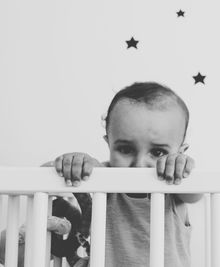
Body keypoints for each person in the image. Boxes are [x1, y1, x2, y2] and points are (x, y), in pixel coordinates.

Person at [50, 81, 202, 266]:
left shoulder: (173, 183)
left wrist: (182, 167)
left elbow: (195, 194)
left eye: (158, 152)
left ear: (180, 151)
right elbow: (43, 176)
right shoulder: (100, 177)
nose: (139, 165)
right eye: (125, 149)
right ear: (109, 143)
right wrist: (73, 163)